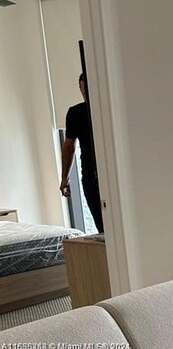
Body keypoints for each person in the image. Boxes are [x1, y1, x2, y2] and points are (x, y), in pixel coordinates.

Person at [59, 73, 104, 233]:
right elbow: (69, 146)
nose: (86, 95)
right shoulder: (76, 113)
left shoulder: (108, 109)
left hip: (111, 175)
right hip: (91, 178)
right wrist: (65, 177)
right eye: (83, 91)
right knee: (103, 228)